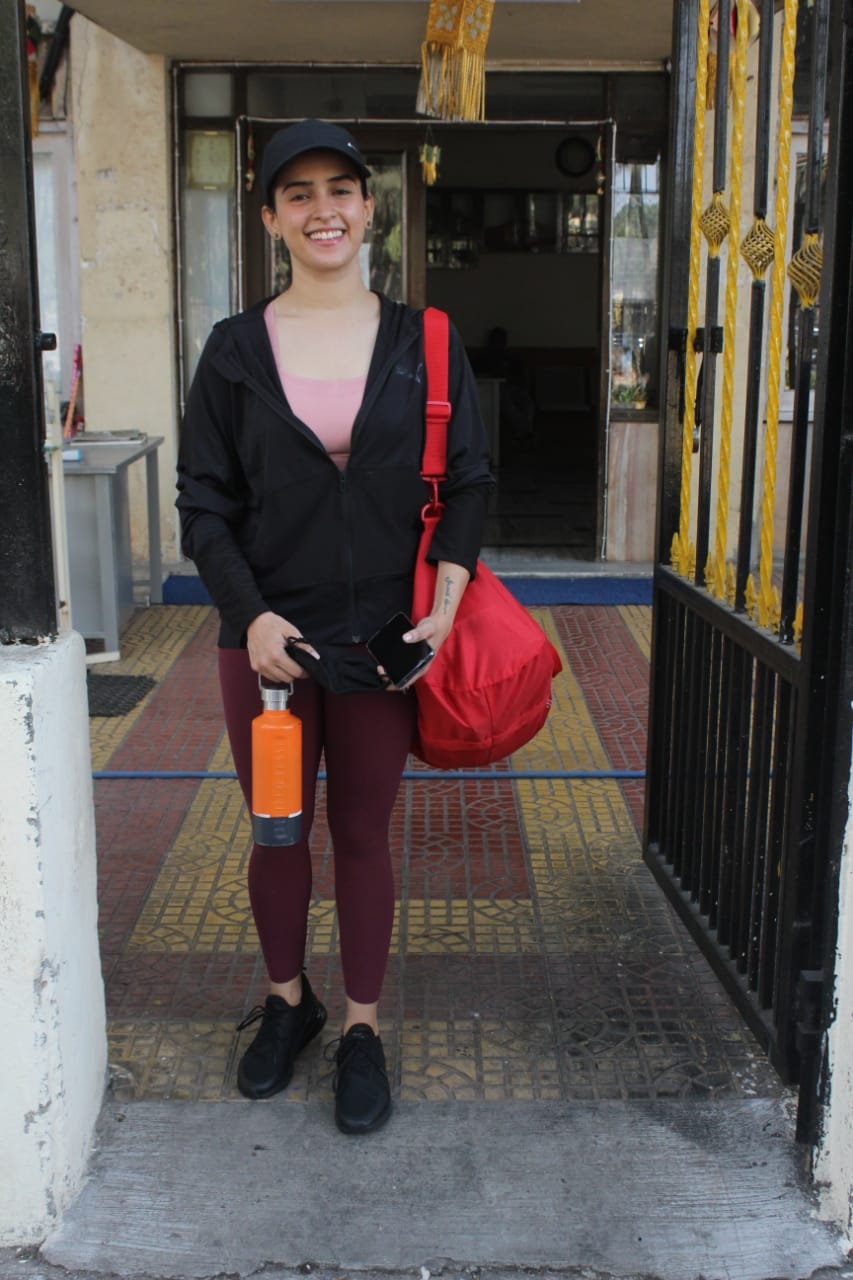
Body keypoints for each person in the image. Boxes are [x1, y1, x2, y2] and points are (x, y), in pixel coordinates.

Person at [176, 119, 493, 1135]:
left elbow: (470, 486)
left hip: (382, 645)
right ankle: (286, 1002)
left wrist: (440, 614)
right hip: (266, 649)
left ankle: (359, 1024)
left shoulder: (423, 339)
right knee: (277, 832)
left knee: (360, 833)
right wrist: (250, 612)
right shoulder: (231, 351)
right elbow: (202, 503)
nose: (324, 210)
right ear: (270, 216)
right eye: (298, 192)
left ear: (370, 208)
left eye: (342, 190)